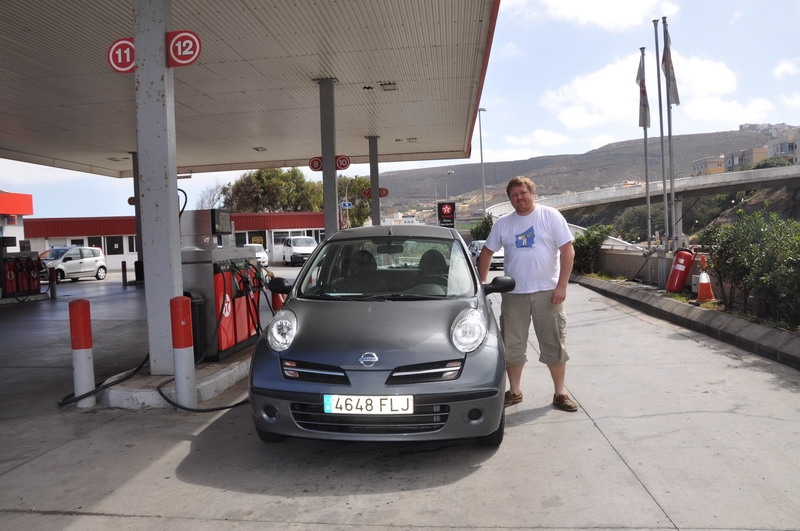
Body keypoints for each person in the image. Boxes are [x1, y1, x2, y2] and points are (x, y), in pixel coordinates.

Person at [477, 176, 578, 412]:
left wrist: (562, 285)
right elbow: (486, 252)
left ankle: (560, 393)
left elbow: (568, 251)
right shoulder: (503, 223)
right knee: (512, 345)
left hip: (548, 293)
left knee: (554, 343)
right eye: (514, 195)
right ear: (509, 198)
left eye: (523, 193)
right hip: (514, 294)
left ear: (533, 193)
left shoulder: (550, 216)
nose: (519, 198)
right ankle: (515, 391)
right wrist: (482, 284)